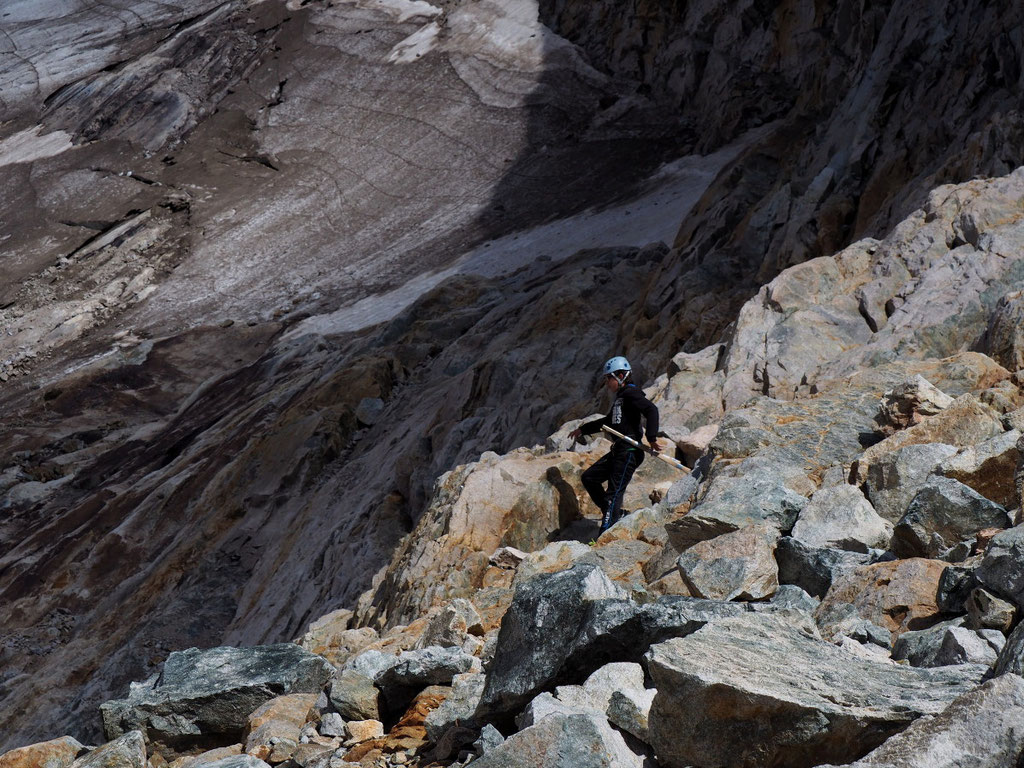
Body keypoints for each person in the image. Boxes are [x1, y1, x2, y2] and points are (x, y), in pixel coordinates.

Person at [569, 356, 661, 533]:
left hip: (630, 451)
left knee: (613, 493)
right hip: (619, 449)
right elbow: (609, 422)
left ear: (620, 375)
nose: (606, 383)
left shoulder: (632, 394)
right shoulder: (621, 398)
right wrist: (584, 429)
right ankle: (614, 514)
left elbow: (651, 410)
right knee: (589, 478)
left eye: (608, 378)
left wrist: (651, 437)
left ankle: (604, 533)